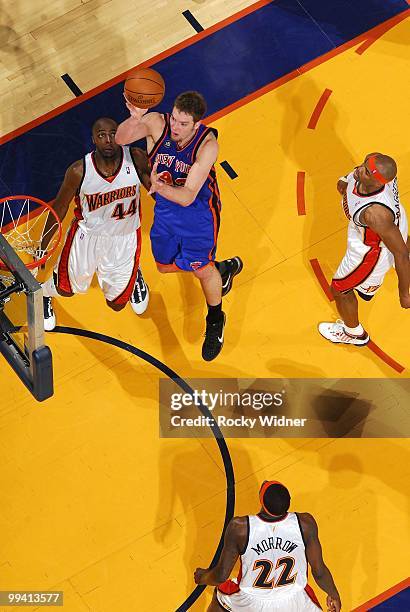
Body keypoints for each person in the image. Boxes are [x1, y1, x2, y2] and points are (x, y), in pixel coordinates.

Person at [115, 91, 243, 361]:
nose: (175, 126)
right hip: (165, 211)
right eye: (174, 119)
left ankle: (216, 319)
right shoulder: (157, 123)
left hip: (199, 216)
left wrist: (158, 186)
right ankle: (218, 269)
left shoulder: (206, 145)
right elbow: (121, 139)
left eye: (183, 124)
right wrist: (134, 118)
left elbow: (186, 196)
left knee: (201, 271)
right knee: (163, 265)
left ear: (196, 124)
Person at [41, 117, 151, 331]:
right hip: (87, 238)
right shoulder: (79, 171)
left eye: (112, 134)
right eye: (102, 135)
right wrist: (42, 246)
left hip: (124, 237)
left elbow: (156, 190)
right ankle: (45, 294)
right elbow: (60, 209)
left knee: (116, 305)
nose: (108, 140)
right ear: (94, 140)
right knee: (66, 289)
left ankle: (134, 273)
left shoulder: (135, 159)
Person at [194, 481, 341, 611]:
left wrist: (203, 577)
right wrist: (333, 594)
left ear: (262, 502)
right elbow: (319, 572)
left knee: (221, 597)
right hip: (295, 600)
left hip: (252, 601)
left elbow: (220, 576)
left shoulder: (240, 528)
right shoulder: (305, 523)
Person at [319, 152, 409, 345]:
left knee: (339, 290)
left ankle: (354, 333)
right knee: (367, 288)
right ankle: (367, 288)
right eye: (363, 165)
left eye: (367, 172)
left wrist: (404, 293)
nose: (360, 170)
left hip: (373, 249)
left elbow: (400, 253)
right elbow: (358, 173)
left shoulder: (374, 214)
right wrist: (346, 179)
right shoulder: (375, 168)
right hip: (397, 223)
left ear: (378, 183)